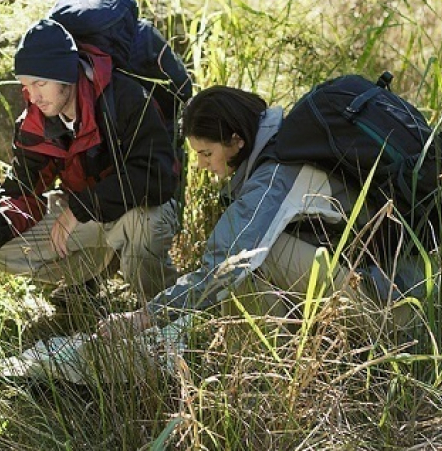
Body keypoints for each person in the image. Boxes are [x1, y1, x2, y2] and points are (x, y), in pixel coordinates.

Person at [100, 85, 424, 335]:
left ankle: (275, 370)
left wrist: (145, 316)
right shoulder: (288, 141)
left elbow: (222, 268)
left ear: (237, 141)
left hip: (392, 305)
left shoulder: (275, 177)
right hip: (392, 278)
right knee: (255, 255)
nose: (200, 165)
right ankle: (288, 352)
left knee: (248, 260)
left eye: (206, 152)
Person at [0, 19, 180, 301]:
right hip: (82, 215)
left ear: (67, 75)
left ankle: (162, 308)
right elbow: (23, 191)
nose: (34, 96)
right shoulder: (35, 121)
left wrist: (80, 209)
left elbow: (158, 176)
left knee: (144, 221)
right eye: (26, 85)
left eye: (41, 83)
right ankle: (87, 281)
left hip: (132, 210)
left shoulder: (125, 99)